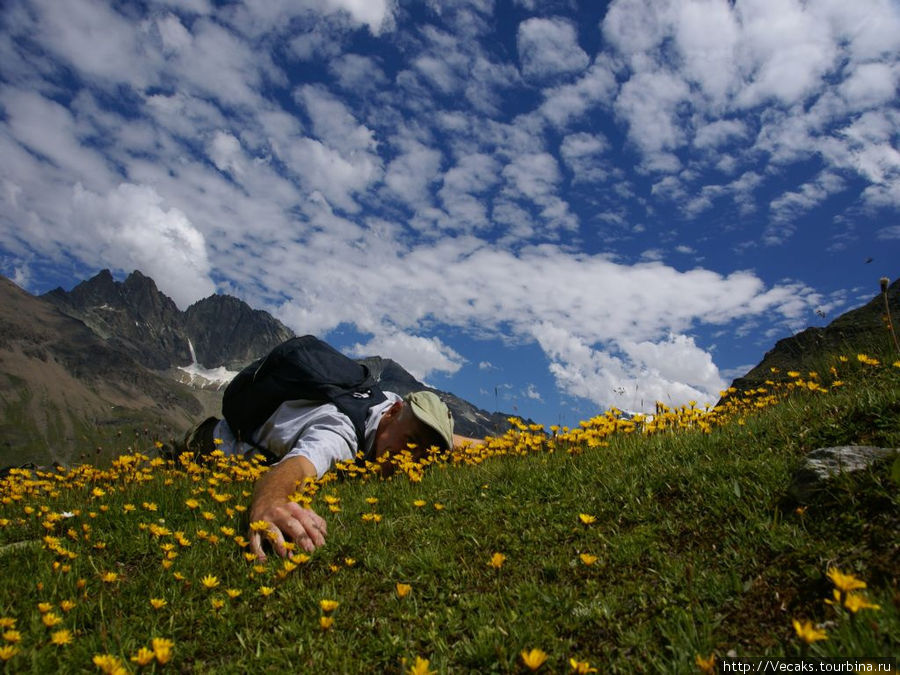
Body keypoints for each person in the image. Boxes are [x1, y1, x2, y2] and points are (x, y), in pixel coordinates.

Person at [209, 390, 480, 561]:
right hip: (218, 442)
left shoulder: (392, 408)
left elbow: (447, 440)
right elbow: (297, 466)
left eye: (427, 452)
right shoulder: (340, 433)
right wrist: (272, 501)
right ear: (395, 411)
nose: (414, 458)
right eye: (411, 441)